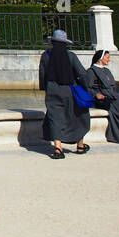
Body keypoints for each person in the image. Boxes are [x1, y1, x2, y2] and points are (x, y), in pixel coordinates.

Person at [39, 29, 93, 159]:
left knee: (55, 117)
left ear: (52, 41)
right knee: (78, 115)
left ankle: (58, 148)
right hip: (70, 89)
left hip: (52, 89)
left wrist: (44, 88)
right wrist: (87, 88)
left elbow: (42, 74)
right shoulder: (70, 55)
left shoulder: (46, 55)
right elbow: (81, 73)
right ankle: (80, 145)